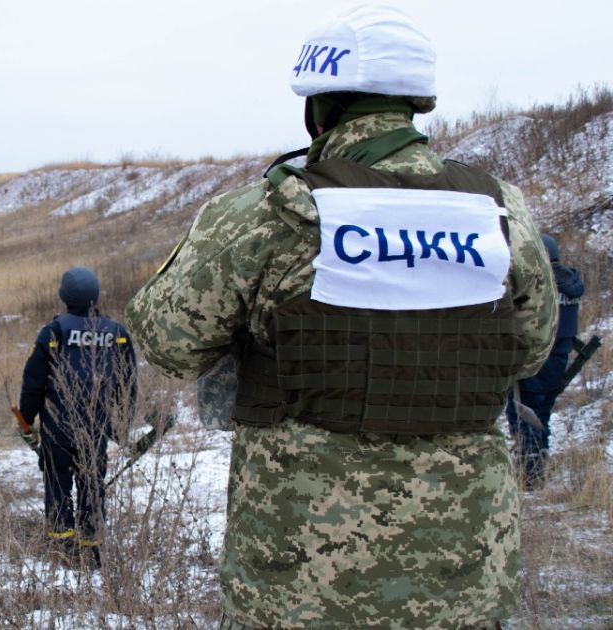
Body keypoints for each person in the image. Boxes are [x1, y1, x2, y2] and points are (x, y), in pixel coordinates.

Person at [125, 4, 557, 627]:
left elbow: (168, 342)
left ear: (319, 107)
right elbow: (532, 349)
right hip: (462, 578)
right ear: (416, 104)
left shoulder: (268, 211)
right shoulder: (498, 213)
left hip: (301, 581)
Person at [19, 267, 137, 568]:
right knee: (92, 485)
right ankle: (93, 550)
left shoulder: (53, 332)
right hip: (97, 429)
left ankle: (62, 550)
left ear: (63, 296)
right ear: (95, 295)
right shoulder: (116, 333)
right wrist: (121, 425)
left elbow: (33, 382)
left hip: (57, 427)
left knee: (57, 486)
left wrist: (26, 419)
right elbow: (128, 383)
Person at [507, 234, 584, 488]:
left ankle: (528, 475)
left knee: (523, 413)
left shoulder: (540, 282)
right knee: (541, 413)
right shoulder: (571, 281)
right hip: (559, 358)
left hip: (534, 356)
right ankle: (537, 468)